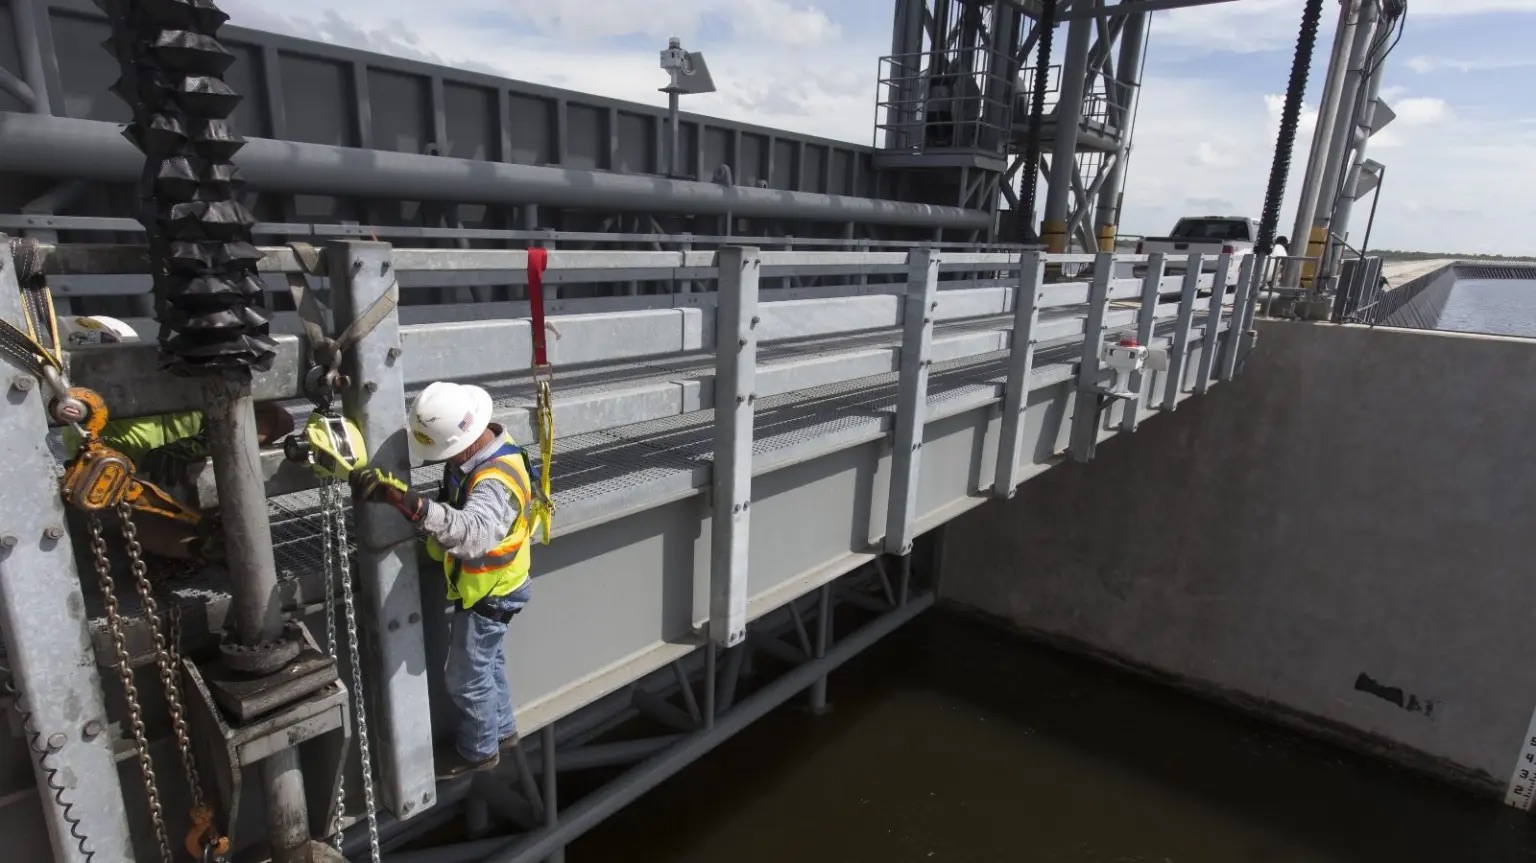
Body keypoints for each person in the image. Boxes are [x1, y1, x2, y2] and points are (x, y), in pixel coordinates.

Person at [349, 381, 534, 779]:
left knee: (465, 678)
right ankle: (502, 731)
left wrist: (414, 507)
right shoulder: (477, 458)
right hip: (495, 586)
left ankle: (479, 750)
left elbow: (474, 535)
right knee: (489, 664)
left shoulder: (495, 479)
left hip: (493, 593)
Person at [56, 315, 294, 560]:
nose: (106, 373)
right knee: (120, 500)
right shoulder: (90, 423)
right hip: (157, 519)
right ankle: (205, 548)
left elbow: (279, 419)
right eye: (97, 365)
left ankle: (213, 546)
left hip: (210, 498)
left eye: (109, 362)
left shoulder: (179, 386)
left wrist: (206, 443)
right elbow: (119, 497)